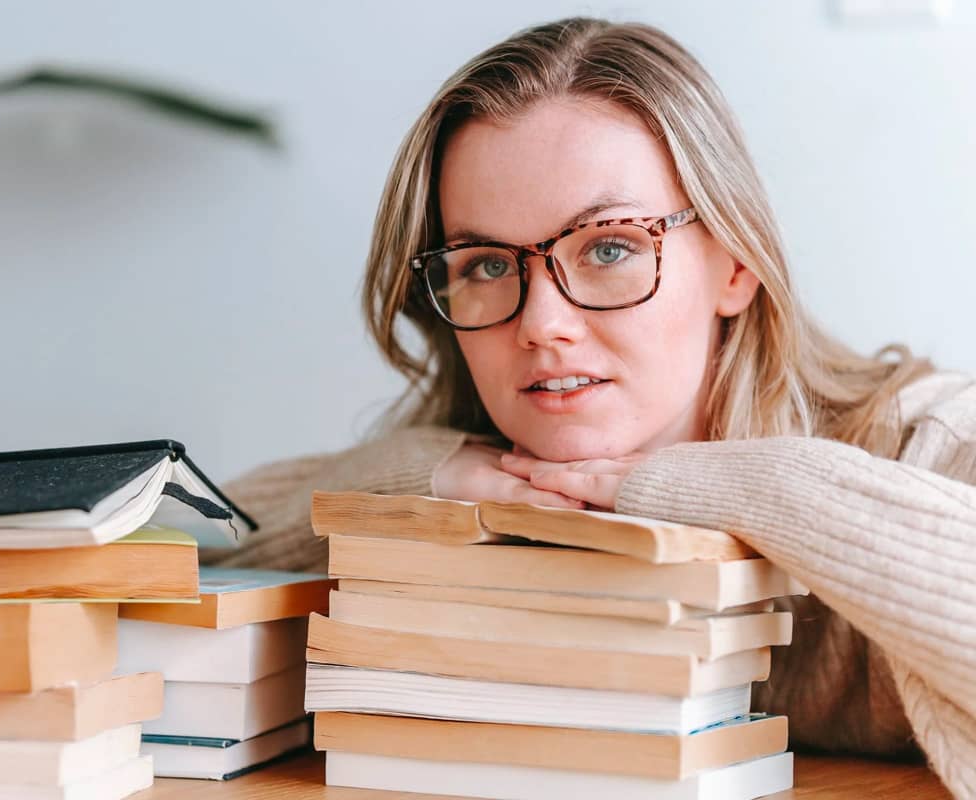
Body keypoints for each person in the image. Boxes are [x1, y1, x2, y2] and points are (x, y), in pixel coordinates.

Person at [208, 17, 976, 796]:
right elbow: (181, 533)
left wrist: (745, 489)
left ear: (736, 264)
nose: (542, 325)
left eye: (609, 248)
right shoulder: (493, 482)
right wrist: (425, 480)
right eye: (486, 265)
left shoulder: (937, 444)